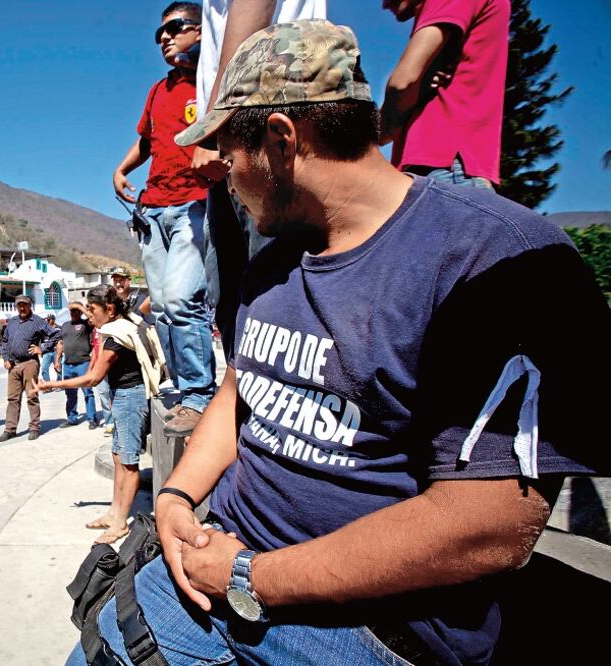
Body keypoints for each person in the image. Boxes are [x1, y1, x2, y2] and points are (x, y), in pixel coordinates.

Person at [69, 20, 611, 665]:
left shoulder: (492, 261)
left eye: (227, 151)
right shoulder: (278, 256)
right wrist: (179, 495)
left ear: (278, 139)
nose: (215, 170)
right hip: (214, 572)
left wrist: (251, 578)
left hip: (365, 631)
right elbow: (243, 390)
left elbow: (490, 528)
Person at [191, 0, 327, 357]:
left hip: (256, 124)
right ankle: (245, 399)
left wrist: (214, 123)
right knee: (235, 291)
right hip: (241, 129)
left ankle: (269, 399)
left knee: (270, 292)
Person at [112, 2, 216, 438]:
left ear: (200, 30)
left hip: (196, 203)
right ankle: (182, 385)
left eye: (174, 28)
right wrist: (120, 170)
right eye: (159, 35)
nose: (165, 38)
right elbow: (147, 142)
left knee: (179, 300)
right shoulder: (158, 90)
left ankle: (199, 394)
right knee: (164, 313)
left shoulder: (214, 78)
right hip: (153, 210)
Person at [38, 285, 158, 545]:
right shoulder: (120, 325)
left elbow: (93, 378)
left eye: (92, 309)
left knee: (128, 462)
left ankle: (119, 523)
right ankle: (113, 512)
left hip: (131, 398)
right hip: (123, 397)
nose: (88, 315)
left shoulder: (117, 336)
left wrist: (53, 384)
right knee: (117, 458)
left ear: (110, 309)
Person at [381, 0, 510, 189]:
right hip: (447, 167)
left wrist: (372, 134)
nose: (384, 4)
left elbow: (403, 82)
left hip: (444, 166)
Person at [0, 294, 55, 442]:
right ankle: (10, 429)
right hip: (13, 365)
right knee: (12, 399)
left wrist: (41, 348)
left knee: (32, 397)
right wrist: (5, 358)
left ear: (30, 305)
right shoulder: (12, 322)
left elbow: (56, 334)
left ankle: (34, 427)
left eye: (25, 305)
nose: (22, 308)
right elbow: (4, 341)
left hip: (30, 363)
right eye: (19, 305)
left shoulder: (37, 321)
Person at [53, 301, 98, 429]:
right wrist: (57, 359)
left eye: (76, 310)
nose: (74, 313)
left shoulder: (85, 324)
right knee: (70, 394)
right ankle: (72, 418)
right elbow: (61, 343)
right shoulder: (65, 325)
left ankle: (92, 419)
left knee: (88, 392)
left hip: (83, 363)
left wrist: (80, 307)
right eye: (72, 311)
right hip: (68, 365)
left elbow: (92, 318)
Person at [40, 314, 63, 383]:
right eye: (47, 319)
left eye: (49, 320)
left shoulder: (59, 328)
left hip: (56, 351)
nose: (47, 321)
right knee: (44, 368)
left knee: (58, 367)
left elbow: (62, 340)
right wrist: (41, 351)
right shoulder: (43, 329)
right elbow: (41, 340)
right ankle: (48, 385)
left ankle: (59, 384)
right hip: (46, 351)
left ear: (53, 320)